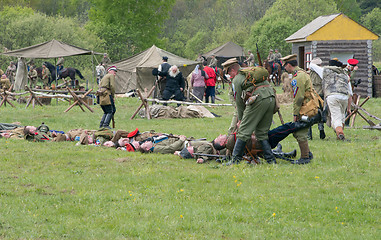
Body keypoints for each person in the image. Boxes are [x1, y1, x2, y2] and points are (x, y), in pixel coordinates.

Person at [222, 58, 276, 165]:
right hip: (271, 97)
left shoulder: (237, 79)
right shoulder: (251, 72)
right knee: (262, 132)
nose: (229, 76)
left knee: (243, 132)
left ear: (232, 70)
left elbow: (238, 102)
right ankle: (271, 160)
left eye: (229, 73)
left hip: (258, 99)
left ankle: (235, 160)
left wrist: (241, 119)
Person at [281, 54, 318, 164]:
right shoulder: (301, 73)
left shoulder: (298, 77)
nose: (284, 68)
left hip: (305, 107)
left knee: (300, 132)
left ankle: (305, 157)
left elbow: (298, 98)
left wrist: (295, 114)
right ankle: (307, 153)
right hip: (308, 105)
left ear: (289, 65)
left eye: (285, 65)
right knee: (300, 131)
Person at [309, 58, 352, 141]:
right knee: (342, 116)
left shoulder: (324, 71)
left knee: (335, 117)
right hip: (344, 96)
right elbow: (350, 93)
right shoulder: (345, 75)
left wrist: (316, 62)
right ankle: (339, 135)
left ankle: (340, 133)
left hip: (332, 96)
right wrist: (349, 108)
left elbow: (311, 65)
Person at [309, 57, 325, 140]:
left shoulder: (309, 73)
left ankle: (309, 134)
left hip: (313, 95)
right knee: (321, 113)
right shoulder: (322, 72)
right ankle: (321, 129)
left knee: (310, 113)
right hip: (321, 94)